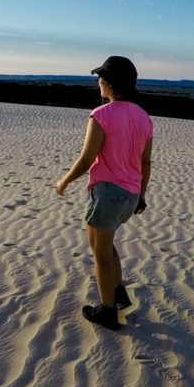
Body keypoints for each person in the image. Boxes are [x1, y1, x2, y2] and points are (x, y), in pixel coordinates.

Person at [55, 56, 153, 330]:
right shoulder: (144, 118)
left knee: (100, 254)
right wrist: (141, 195)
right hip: (130, 194)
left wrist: (64, 180)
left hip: (108, 194)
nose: (98, 81)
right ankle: (119, 294)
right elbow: (145, 162)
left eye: (101, 77)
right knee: (106, 246)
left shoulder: (101, 115)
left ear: (108, 84)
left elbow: (87, 159)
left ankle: (107, 311)